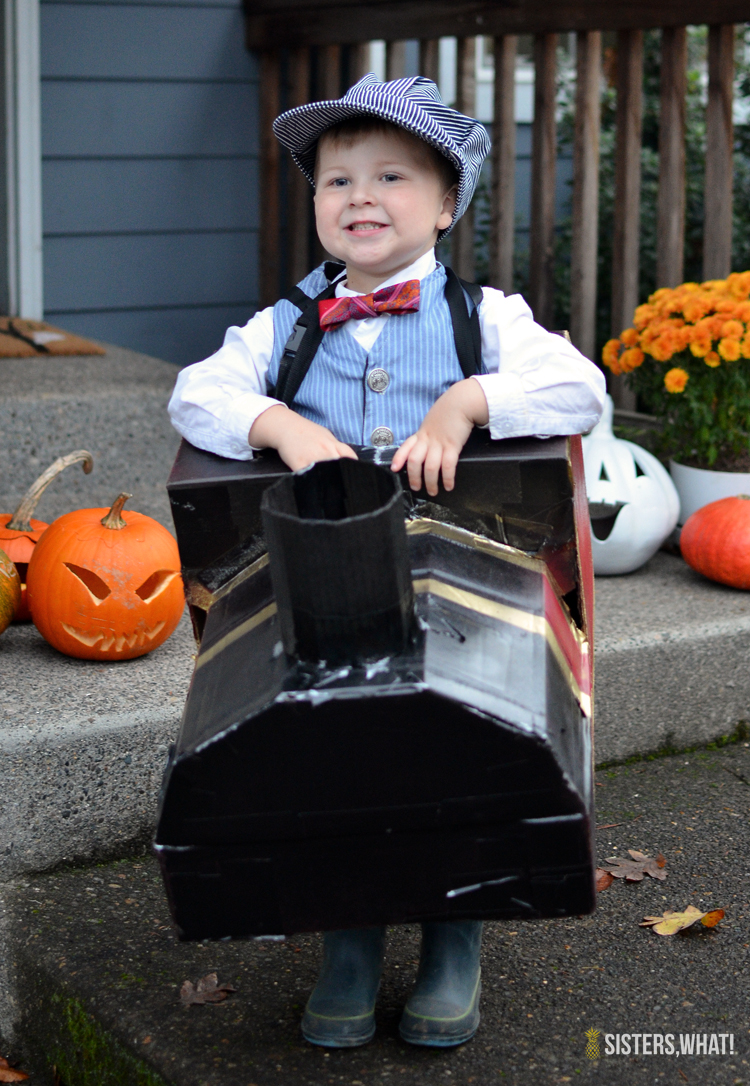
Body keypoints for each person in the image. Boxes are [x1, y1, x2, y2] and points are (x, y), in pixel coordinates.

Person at [169, 73, 606, 1050]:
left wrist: (469, 404)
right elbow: (196, 397)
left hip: (461, 595)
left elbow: (578, 388)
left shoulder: (480, 321)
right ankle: (350, 942)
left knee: (451, 752)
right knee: (336, 757)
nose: (359, 196)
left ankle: (455, 938)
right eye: (335, 181)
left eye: (392, 176)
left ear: (447, 204)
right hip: (323, 593)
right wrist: (277, 423)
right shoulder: (281, 328)